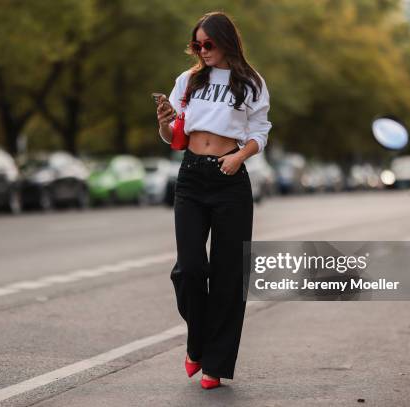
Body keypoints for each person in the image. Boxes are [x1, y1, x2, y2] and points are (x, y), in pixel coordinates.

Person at [156, 11, 272, 390]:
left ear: (226, 42)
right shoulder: (188, 80)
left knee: (227, 275)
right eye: (197, 45)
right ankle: (197, 342)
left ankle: (214, 365)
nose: (202, 51)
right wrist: (163, 121)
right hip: (191, 175)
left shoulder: (250, 82)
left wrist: (239, 157)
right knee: (189, 269)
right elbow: (175, 134)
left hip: (230, 177)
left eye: (208, 44)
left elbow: (260, 132)